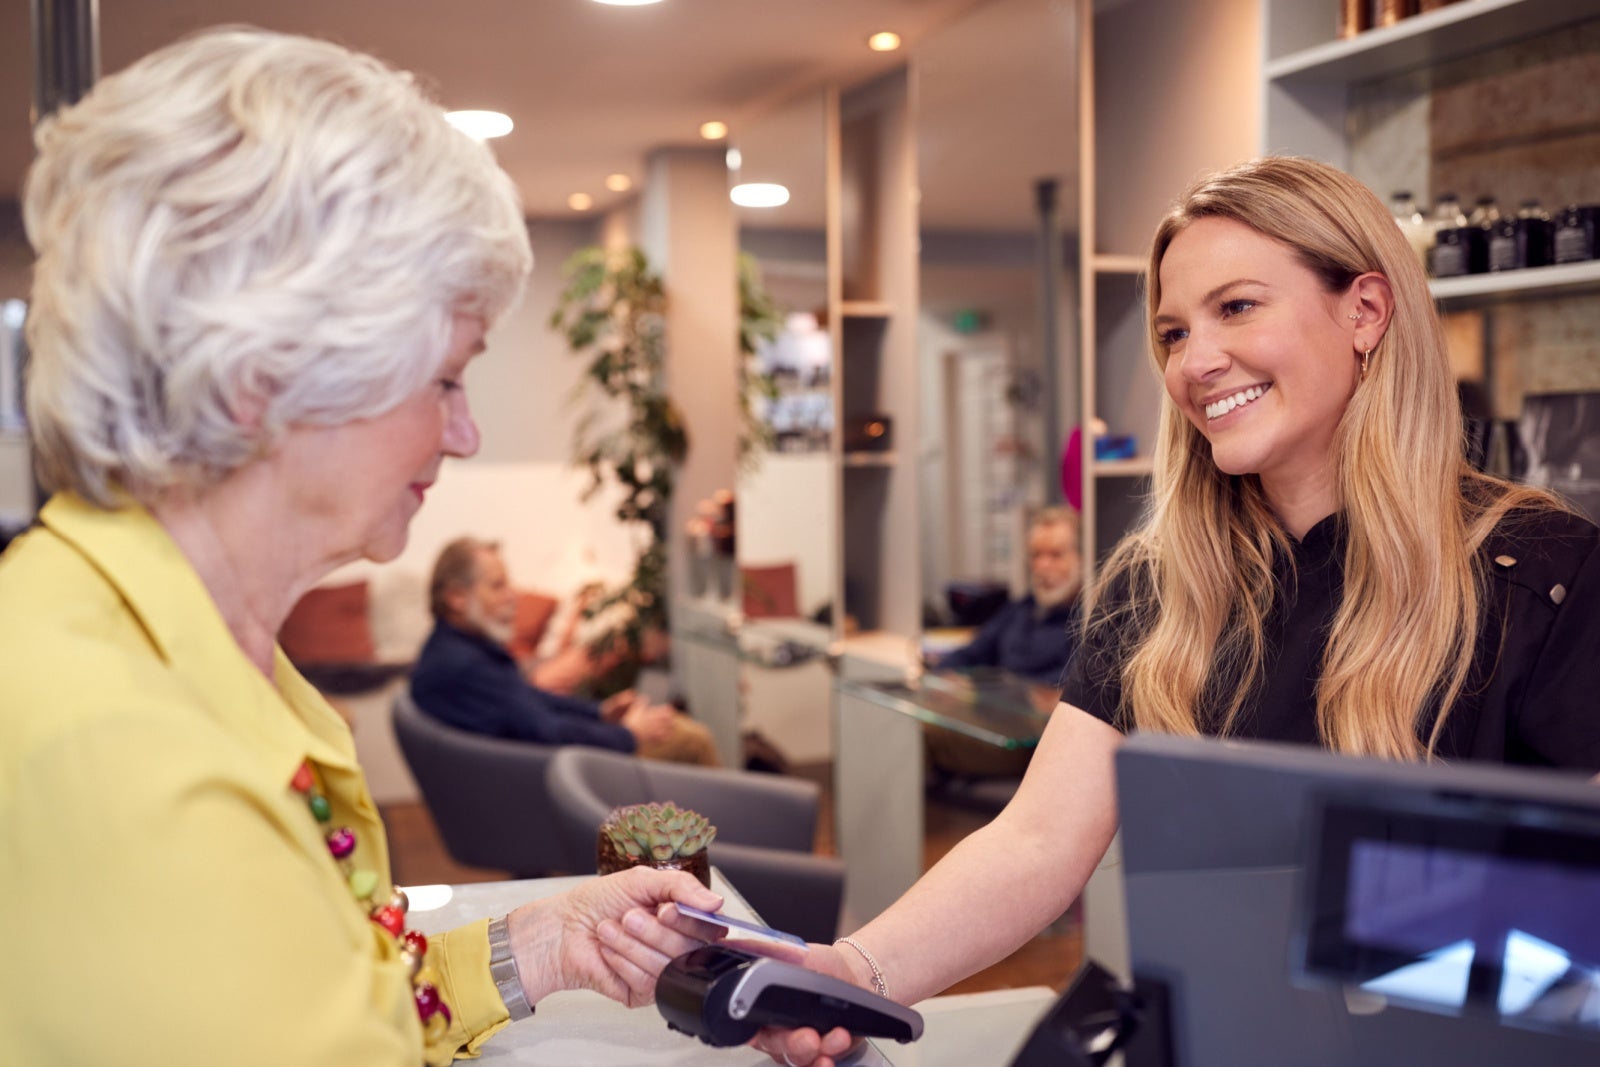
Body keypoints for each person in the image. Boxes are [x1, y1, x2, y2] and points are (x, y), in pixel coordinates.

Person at [731, 155, 1600, 1066]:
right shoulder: (1161, 586)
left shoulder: (1536, 571)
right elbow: (1034, 841)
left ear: (1366, 312)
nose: (1196, 361)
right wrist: (852, 968)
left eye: (1237, 307)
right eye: (1174, 331)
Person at [0, 29, 727, 1066]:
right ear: (266, 372)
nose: (465, 433)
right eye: (445, 379)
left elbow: (328, 989)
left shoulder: (169, 642)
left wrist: (546, 941)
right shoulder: (128, 763)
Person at [413, 537, 720, 765]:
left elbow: (527, 698)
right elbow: (547, 732)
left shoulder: (455, 649)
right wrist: (629, 735)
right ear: (456, 596)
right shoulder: (466, 665)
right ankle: (725, 846)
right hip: (556, 779)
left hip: (543, 767)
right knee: (692, 739)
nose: (513, 597)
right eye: (497, 586)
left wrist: (599, 712)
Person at [928, 506, 1083, 684]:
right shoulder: (1021, 609)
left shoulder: (1088, 623)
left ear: (1082, 558)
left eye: (1056, 555)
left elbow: (1069, 687)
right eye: (1035, 555)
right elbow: (972, 652)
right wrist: (939, 678)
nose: (1042, 566)